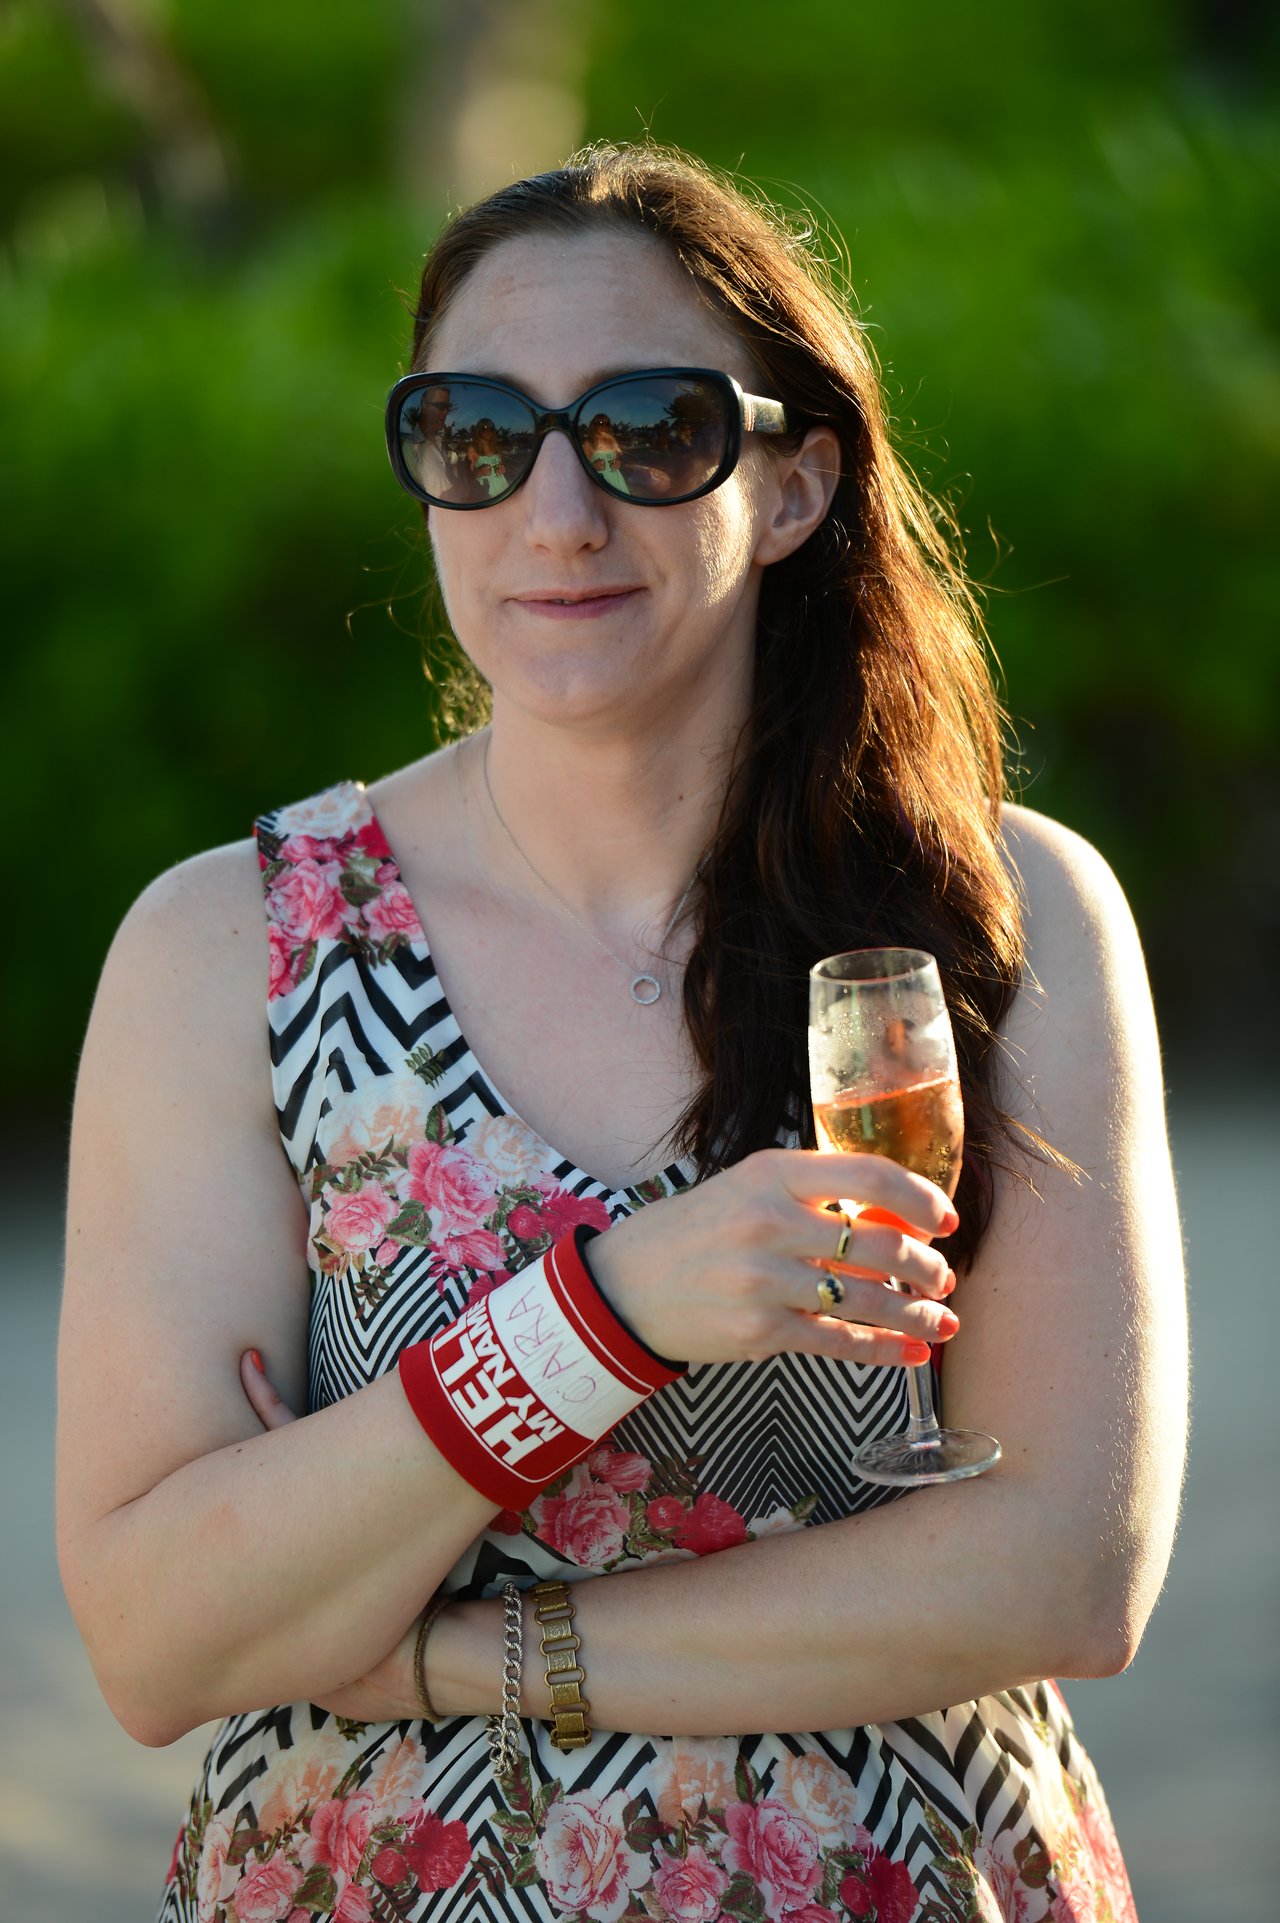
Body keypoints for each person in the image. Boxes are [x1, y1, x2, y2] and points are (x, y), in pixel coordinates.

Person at [56, 142, 1186, 1923]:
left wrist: (446, 1652)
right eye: (477, 436)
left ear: (798, 484)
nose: (557, 514)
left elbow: (1066, 1571)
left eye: (651, 431)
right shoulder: (230, 950)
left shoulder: (1004, 913)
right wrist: (612, 1312)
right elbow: (160, 1639)